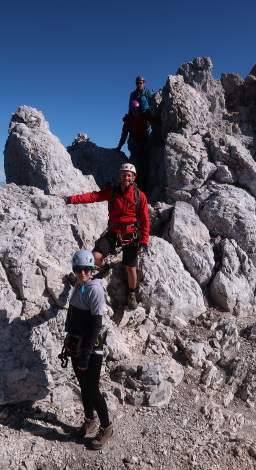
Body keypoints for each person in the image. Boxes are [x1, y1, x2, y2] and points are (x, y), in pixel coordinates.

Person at [60, 163, 150, 310]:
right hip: (113, 232)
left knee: (130, 267)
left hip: (130, 234)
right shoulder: (112, 192)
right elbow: (93, 196)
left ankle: (131, 293)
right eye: (123, 174)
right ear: (120, 176)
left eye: (129, 175)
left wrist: (144, 240)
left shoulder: (140, 196)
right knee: (94, 257)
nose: (126, 177)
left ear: (133, 177)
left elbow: (145, 220)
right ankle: (105, 267)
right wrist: (70, 199)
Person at [64, 249, 113, 450]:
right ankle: (89, 420)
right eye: (78, 269)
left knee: (92, 390)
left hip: (90, 347)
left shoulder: (94, 289)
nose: (82, 273)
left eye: (86, 269)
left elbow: (95, 325)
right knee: (83, 387)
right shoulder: (80, 284)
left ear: (93, 270)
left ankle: (106, 427)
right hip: (77, 343)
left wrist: (85, 353)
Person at [116, 100, 158, 194]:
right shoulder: (128, 121)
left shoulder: (143, 116)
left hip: (144, 142)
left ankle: (143, 182)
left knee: (146, 161)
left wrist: (162, 121)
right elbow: (124, 135)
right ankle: (137, 183)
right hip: (134, 144)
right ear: (131, 110)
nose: (136, 112)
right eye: (134, 110)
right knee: (137, 159)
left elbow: (154, 120)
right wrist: (119, 146)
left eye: (137, 110)